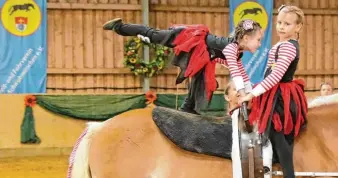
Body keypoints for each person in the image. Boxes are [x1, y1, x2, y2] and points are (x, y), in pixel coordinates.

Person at [103, 18, 262, 114]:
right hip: (190, 39)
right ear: (246, 39)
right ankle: (120, 27)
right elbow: (236, 72)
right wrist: (243, 93)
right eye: (259, 40)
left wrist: (251, 93)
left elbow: (242, 73)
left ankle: (187, 111)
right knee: (154, 34)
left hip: (202, 56)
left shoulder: (237, 52)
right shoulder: (231, 48)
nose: (260, 44)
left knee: (200, 83)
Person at [239, 4, 308, 178]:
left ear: (298, 27)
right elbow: (269, 74)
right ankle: (276, 170)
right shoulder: (280, 45)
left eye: (287, 24)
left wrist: (253, 93)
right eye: (279, 23)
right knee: (272, 133)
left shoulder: (288, 46)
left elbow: (277, 75)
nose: (281, 27)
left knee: (278, 133)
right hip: (274, 93)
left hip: (282, 95)